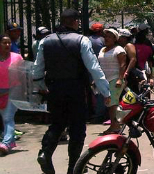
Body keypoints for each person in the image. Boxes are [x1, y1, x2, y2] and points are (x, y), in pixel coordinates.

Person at [33, 9, 111, 174]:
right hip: (75, 89)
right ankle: (73, 168)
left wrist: (41, 86)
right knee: (77, 128)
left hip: (54, 88)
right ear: (76, 22)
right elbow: (94, 68)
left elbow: (37, 70)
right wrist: (106, 92)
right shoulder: (81, 40)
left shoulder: (46, 41)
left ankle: (45, 153)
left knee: (57, 124)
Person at [97, 28, 127, 134]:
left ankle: (115, 126)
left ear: (115, 38)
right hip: (105, 80)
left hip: (115, 79)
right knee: (109, 104)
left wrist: (120, 79)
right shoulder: (102, 49)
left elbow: (123, 65)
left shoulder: (119, 50)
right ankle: (115, 125)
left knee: (112, 104)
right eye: (105, 36)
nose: (106, 38)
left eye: (109, 36)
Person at [0, 35, 22, 155]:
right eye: (4, 43)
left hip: (12, 92)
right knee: (4, 119)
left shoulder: (17, 57)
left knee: (8, 118)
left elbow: (23, 74)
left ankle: (6, 143)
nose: (7, 45)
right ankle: (11, 141)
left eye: (9, 43)